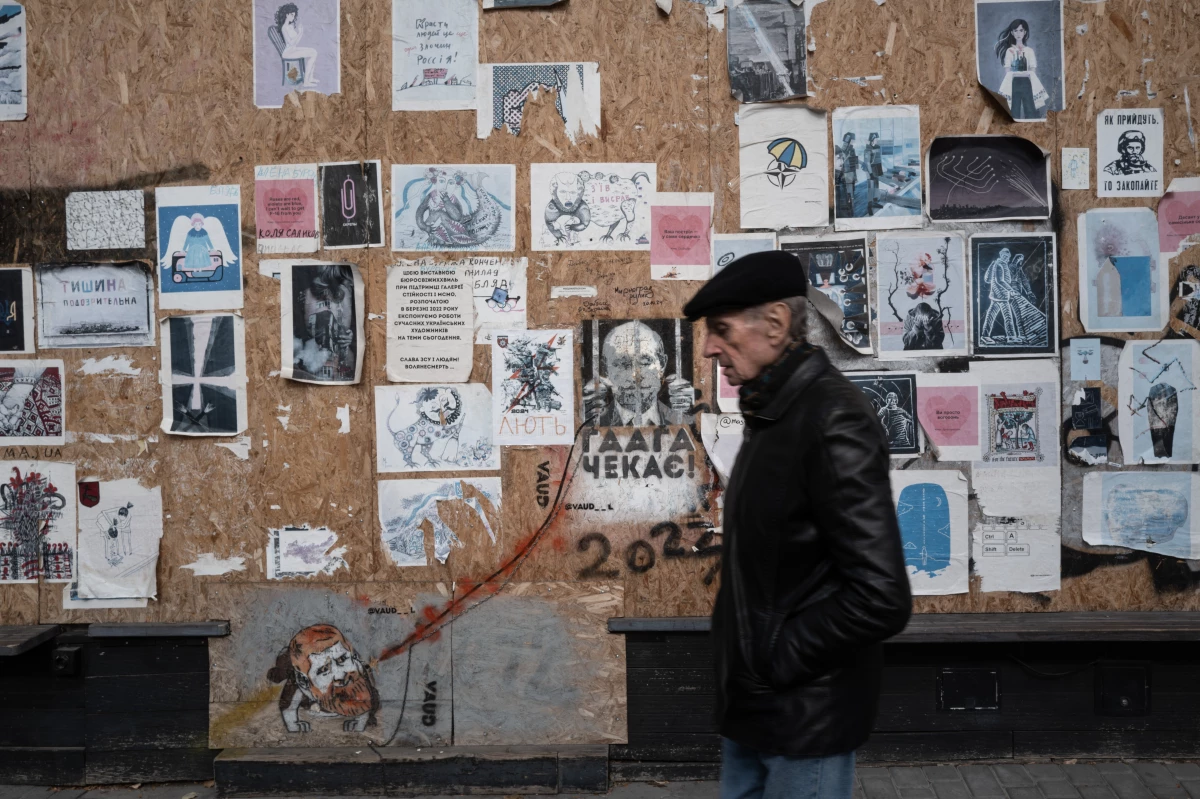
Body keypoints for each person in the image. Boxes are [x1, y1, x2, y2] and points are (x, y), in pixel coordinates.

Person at [683, 250, 912, 799]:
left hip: (802, 718)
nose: (711, 347)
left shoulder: (833, 419)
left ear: (777, 324)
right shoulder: (773, 413)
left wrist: (776, 658)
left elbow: (880, 596)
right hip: (756, 708)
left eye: (721, 329)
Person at [582, 321, 696, 426]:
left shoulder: (682, 419)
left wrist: (693, 416)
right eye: (622, 364)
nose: (635, 376)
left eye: (645, 363)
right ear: (605, 368)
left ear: (662, 364)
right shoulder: (592, 421)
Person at [995, 19, 1049, 120]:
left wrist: (1024, 73)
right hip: (1014, 84)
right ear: (1012, 33)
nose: (1018, 33)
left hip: (1027, 84)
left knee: (1030, 111)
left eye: (1021, 30)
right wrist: (1018, 73)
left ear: (1025, 32)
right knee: (1013, 112)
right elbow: (1008, 71)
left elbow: (1033, 71)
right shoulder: (1009, 51)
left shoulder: (1029, 51)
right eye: (1016, 31)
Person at [276, 4, 319, 88]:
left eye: (294, 15)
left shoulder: (290, 27)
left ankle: (310, 78)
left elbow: (295, 42)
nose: (293, 17)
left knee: (314, 51)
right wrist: (299, 33)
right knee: (312, 54)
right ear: (286, 14)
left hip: (293, 49)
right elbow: (291, 43)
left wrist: (301, 33)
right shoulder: (284, 28)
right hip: (288, 53)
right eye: (291, 14)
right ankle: (306, 82)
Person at [834, 132, 859, 217]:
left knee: (851, 194)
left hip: (851, 175)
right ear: (849, 140)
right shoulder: (844, 150)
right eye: (853, 141)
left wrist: (855, 176)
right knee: (848, 195)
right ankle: (850, 212)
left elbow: (855, 163)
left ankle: (851, 211)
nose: (854, 142)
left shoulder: (852, 149)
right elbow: (843, 163)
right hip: (847, 175)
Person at [863, 132, 884, 214]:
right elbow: (867, 162)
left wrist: (880, 170)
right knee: (871, 188)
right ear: (872, 139)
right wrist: (871, 174)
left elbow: (879, 159)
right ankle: (869, 206)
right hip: (870, 170)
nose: (877, 140)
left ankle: (875, 202)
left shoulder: (877, 147)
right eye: (876, 139)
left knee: (876, 186)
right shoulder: (867, 149)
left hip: (876, 169)